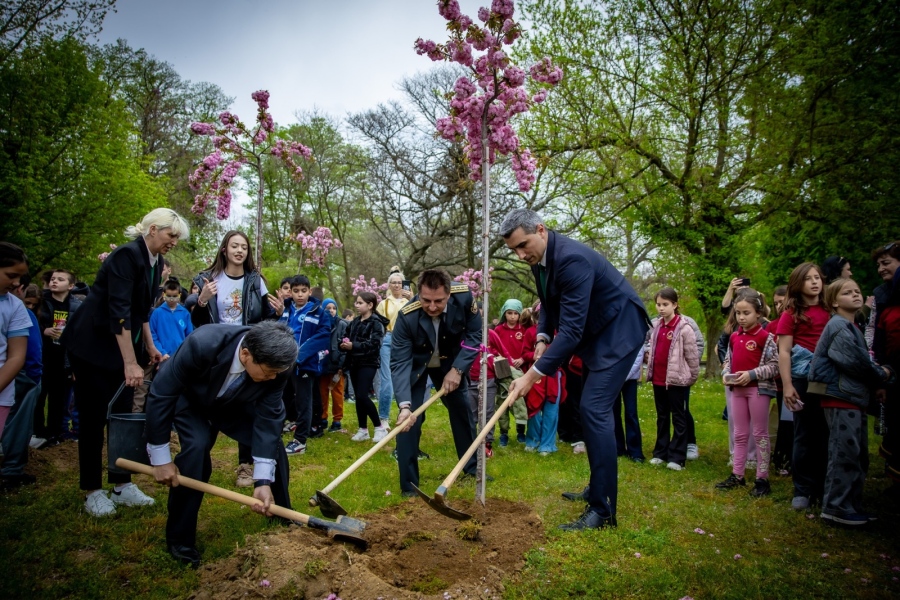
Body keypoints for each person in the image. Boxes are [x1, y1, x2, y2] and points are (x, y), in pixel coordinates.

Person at [501, 209, 649, 531]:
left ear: (541, 229)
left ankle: (603, 511)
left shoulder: (570, 260)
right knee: (595, 409)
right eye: (514, 250)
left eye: (524, 245)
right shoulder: (541, 261)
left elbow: (570, 332)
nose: (520, 254)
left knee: (593, 408)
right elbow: (548, 305)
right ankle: (599, 487)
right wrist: (541, 336)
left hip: (620, 329)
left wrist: (530, 375)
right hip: (599, 334)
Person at [61, 208, 189, 517]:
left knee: (122, 415)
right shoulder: (125, 256)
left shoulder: (155, 263)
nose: (174, 242)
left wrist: (150, 347)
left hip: (123, 348)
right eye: (171, 235)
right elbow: (118, 311)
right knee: (93, 416)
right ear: (153, 229)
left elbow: (142, 311)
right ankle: (92, 490)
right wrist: (130, 363)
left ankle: (121, 484)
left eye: (177, 238)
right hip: (93, 347)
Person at [144, 321, 297, 568]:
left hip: (235, 403)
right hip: (191, 400)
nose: (273, 377)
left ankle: (282, 516)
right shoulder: (202, 343)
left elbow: (268, 419)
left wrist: (262, 481)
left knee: (275, 449)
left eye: (277, 373)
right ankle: (180, 540)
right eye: (268, 372)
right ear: (246, 355)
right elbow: (162, 394)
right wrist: (160, 459)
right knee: (196, 448)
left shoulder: (278, 366)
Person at [191, 230, 284, 487]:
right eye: (234, 246)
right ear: (224, 249)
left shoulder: (255, 281)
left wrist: (277, 313)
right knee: (208, 403)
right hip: (216, 351)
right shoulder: (207, 279)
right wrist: (202, 300)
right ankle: (198, 459)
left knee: (246, 406)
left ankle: (245, 466)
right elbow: (196, 323)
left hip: (247, 350)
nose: (239, 251)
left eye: (244, 247)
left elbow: (264, 320)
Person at [809, 278, 893, 525]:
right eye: (847, 293)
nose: (856, 295)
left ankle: (851, 504)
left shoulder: (852, 326)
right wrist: (884, 375)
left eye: (857, 291)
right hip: (840, 398)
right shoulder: (838, 326)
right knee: (843, 453)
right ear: (834, 302)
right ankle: (835, 507)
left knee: (856, 454)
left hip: (853, 398)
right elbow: (855, 362)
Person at [391, 269, 482, 497]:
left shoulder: (465, 298)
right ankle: (409, 485)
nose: (432, 307)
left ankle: (471, 467)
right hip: (416, 365)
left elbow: (474, 335)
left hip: (451, 363)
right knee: (409, 420)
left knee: (461, 409)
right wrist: (404, 405)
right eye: (426, 300)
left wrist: (458, 369)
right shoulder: (406, 316)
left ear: (449, 295)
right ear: (417, 294)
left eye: (439, 301)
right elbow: (400, 362)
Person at [776, 262, 829, 511]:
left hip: (830, 378)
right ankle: (803, 489)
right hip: (802, 379)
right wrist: (787, 385)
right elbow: (784, 352)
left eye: (817, 277)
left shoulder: (832, 309)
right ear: (798, 283)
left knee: (827, 434)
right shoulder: (790, 314)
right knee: (804, 433)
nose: (815, 282)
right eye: (808, 279)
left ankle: (824, 487)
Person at [717, 288, 779, 496]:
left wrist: (752, 374)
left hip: (758, 391)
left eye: (746, 313)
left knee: (760, 434)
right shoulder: (734, 337)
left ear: (758, 314)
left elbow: (775, 366)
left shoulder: (766, 337)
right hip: (738, 391)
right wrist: (726, 373)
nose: (741, 318)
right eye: (738, 313)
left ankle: (762, 479)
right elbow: (728, 359)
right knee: (740, 433)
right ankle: (738, 474)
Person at [646, 287, 700, 472]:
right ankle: (660, 452)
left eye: (665, 304)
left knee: (679, 417)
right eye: (658, 304)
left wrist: (691, 376)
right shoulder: (656, 327)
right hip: (659, 380)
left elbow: (692, 355)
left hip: (677, 381)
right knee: (662, 417)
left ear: (675, 305)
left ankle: (677, 456)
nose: (661, 308)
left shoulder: (684, 328)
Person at [1, 277, 43, 489]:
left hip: (15, 372)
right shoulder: (20, 312)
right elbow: (32, 350)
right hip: (23, 374)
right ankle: (11, 469)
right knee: (18, 423)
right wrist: (34, 377)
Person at [284, 275, 331, 456]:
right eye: (296, 291)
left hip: (305, 365)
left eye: (304, 291)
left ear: (309, 292)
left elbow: (323, 335)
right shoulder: (286, 309)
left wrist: (300, 354)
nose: (300, 295)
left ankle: (300, 441)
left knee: (304, 401)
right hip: (285, 363)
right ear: (291, 292)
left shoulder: (318, 312)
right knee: (287, 398)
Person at [35, 269, 81, 445]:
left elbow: (80, 336)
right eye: (53, 279)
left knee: (59, 400)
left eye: (60, 280)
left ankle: (55, 434)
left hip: (64, 359)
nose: (54, 282)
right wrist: (43, 330)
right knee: (39, 398)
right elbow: (30, 325)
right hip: (43, 357)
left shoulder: (76, 306)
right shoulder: (41, 302)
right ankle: (38, 433)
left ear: (70, 286)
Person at [870, 241, 900, 492]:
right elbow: (877, 337)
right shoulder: (881, 295)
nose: (881, 268)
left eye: (886, 263)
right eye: (878, 264)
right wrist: (880, 376)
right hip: (890, 371)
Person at [342, 291, 389, 442]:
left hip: (368, 363)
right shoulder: (355, 322)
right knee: (358, 397)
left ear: (370, 305)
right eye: (356, 302)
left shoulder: (376, 323)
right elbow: (345, 336)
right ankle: (363, 429)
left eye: (360, 303)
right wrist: (343, 344)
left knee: (363, 394)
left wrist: (353, 346)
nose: (357, 305)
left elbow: (374, 344)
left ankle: (379, 427)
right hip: (354, 362)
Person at [522, 301, 567, 455]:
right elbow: (525, 353)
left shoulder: (560, 332)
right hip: (535, 375)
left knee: (551, 409)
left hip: (554, 375)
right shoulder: (530, 332)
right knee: (533, 408)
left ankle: (547, 444)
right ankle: (532, 440)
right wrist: (535, 356)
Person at [375, 267, 412, 429]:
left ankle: (404, 413)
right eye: (393, 283)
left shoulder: (409, 302)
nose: (397, 285)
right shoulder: (383, 304)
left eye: (399, 283)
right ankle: (383, 417)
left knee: (404, 378)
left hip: (405, 341)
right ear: (389, 285)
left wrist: (413, 299)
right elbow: (377, 324)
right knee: (387, 380)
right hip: (388, 338)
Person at [492, 299, 530, 446]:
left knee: (520, 400)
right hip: (502, 367)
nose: (513, 316)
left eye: (516, 313)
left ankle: (521, 431)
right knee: (503, 400)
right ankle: (504, 433)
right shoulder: (499, 330)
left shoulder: (524, 330)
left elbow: (527, 348)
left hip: (520, 368)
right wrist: (504, 358)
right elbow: (492, 347)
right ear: (504, 313)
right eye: (509, 313)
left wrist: (521, 359)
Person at [613, 345, 645, 463]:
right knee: (614, 413)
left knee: (631, 413)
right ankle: (618, 447)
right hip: (614, 377)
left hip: (630, 378)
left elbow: (638, 357)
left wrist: (623, 376)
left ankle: (635, 451)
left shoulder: (636, 330)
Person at [319, 298, 347, 433]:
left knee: (337, 394)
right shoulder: (319, 323)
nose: (331, 310)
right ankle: (322, 418)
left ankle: (337, 420)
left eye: (333, 308)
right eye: (328, 308)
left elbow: (345, 347)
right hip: (322, 366)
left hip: (337, 366)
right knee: (322, 393)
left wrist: (341, 365)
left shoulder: (342, 324)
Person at [150, 280, 194, 360]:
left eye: (174, 296)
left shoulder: (185, 313)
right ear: (163, 294)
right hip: (162, 356)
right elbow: (153, 335)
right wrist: (162, 352)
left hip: (180, 357)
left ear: (180, 295)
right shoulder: (157, 313)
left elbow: (189, 335)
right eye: (168, 296)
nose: (171, 299)